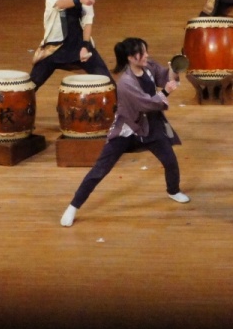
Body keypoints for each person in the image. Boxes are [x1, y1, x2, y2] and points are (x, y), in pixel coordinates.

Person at [60, 38, 188, 227]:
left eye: (145, 51)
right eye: (142, 53)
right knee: (100, 169)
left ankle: (173, 190)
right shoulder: (126, 83)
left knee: (170, 160)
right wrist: (166, 92)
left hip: (150, 125)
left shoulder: (148, 66)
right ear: (130, 57)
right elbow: (147, 103)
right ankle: (73, 206)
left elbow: (163, 76)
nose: (146, 55)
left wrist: (174, 69)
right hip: (127, 129)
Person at [30, 0, 112, 89]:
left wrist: (85, 46)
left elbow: (88, 21)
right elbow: (60, 3)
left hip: (79, 44)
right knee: (30, 86)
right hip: (55, 46)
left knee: (107, 83)